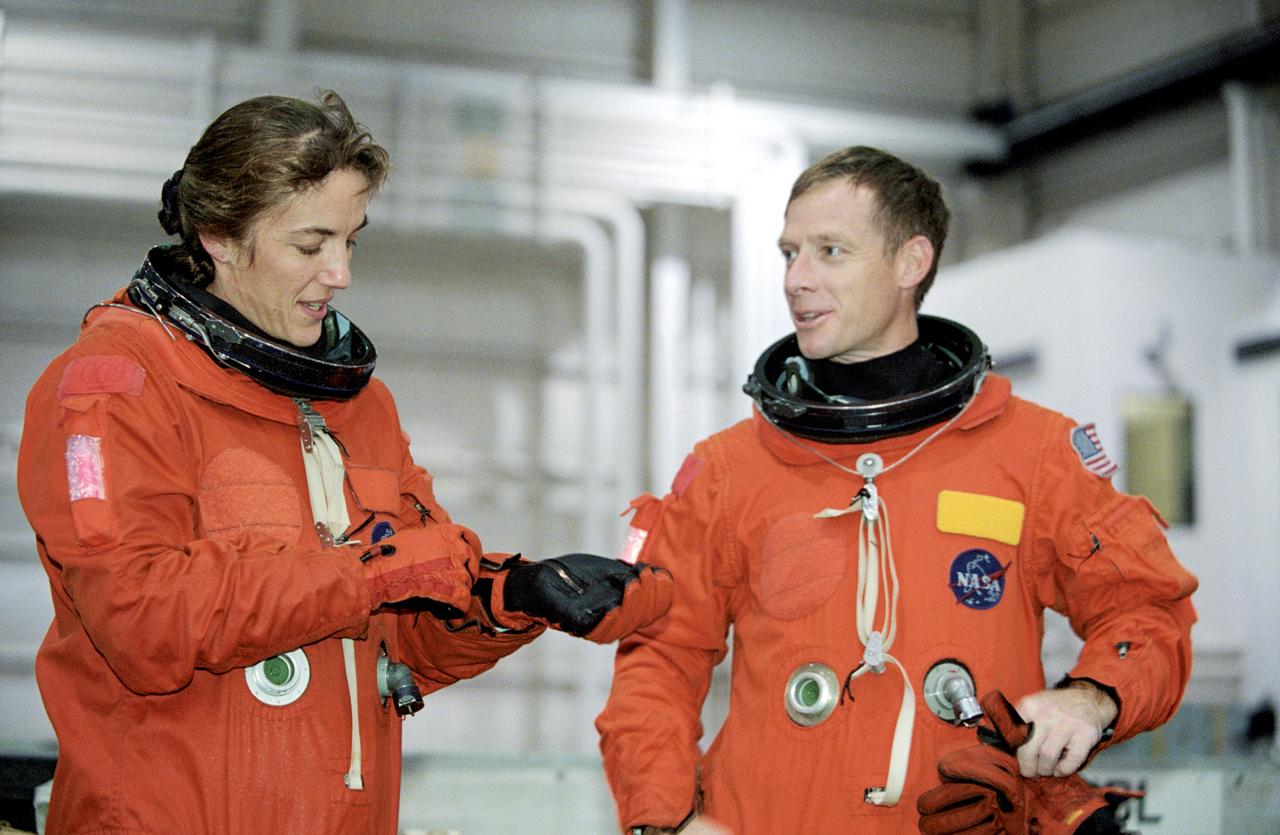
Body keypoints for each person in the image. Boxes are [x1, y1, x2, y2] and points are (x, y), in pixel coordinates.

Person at [17, 90, 672, 835]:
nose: (340, 273)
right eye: (311, 243)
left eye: (351, 240)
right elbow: (142, 622)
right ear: (220, 236)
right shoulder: (116, 385)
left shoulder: (360, 406)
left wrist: (514, 596)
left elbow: (408, 640)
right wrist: (371, 573)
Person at [595, 145, 1197, 834]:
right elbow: (658, 659)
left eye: (830, 251)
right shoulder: (730, 468)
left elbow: (1146, 606)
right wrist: (666, 820)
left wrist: (1092, 697)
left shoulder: (1031, 454)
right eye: (790, 252)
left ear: (912, 262)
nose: (797, 279)